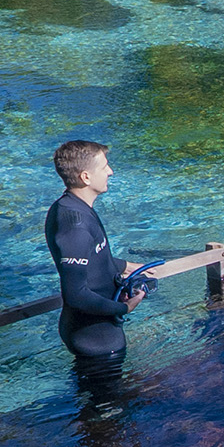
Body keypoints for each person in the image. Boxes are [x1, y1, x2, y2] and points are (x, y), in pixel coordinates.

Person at [46, 141, 147, 386]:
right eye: (104, 166)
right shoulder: (75, 225)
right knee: (106, 414)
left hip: (98, 331)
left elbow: (93, 257)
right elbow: (76, 295)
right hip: (95, 340)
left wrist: (124, 265)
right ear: (86, 177)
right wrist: (125, 308)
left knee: (102, 405)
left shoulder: (72, 206)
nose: (110, 171)